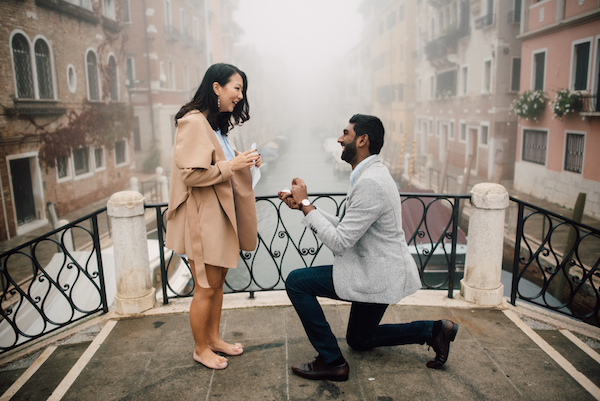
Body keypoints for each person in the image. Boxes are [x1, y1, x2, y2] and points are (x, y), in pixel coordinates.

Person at [279, 114, 458, 381]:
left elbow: (340, 242)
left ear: (362, 140)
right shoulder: (372, 174)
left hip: (376, 273)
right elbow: (347, 226)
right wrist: (306, 207)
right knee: (359, 340)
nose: (340, 139)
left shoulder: (370, 183)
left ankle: (332, 361)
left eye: (345, 133)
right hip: (379, 268)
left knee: (297, 282)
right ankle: (435, 331)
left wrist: (306, 205)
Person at [166, 63, 261, 370]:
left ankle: (214, 340)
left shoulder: (215, 126)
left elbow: (220, 166)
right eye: (237, 88)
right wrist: (233, 166)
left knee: (217, 283)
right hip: (201, 218)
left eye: (242, 90)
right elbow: (192, 176)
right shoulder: (192, 122)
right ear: (217, 87)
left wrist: (243, 161)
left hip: (218, 216)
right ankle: (200, 348)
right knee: (205, 287)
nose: (240, 95)